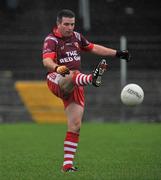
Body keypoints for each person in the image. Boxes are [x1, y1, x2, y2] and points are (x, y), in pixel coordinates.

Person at [42, 9, 131, 172]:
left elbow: (94, 48)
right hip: (57, 79)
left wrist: (118, 54)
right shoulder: (51, 39)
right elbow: (46, 61)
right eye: (66, 24)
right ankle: (91, 79)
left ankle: (67, 166)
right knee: (71, 74)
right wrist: (57, 68)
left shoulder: (76, 37)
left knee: (75, 125)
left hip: (76, 82)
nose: (70, 27)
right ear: (58, 24)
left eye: (72, 24)